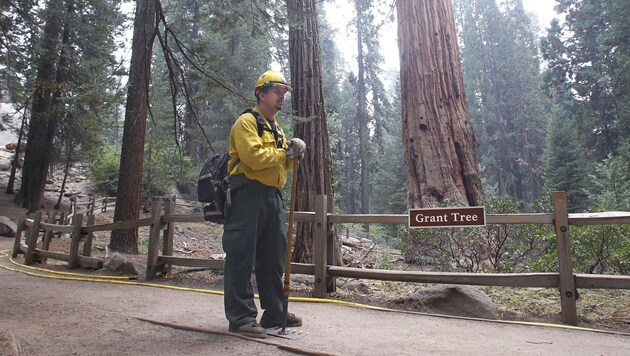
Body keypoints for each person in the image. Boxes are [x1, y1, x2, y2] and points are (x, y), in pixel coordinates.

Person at [222, 70, 306, 339]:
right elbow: (254, 157)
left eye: (284, 93)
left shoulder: (275, 128)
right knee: (241, 254)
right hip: (247, 194)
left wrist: (294, 154)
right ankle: (241, 317)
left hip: (272, 196)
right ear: (261, 93)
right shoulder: (246, 122)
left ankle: (274, 312)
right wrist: (284, 153)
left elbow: (284, 164)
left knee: (273, 257)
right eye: (277, 92)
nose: (282, 97)